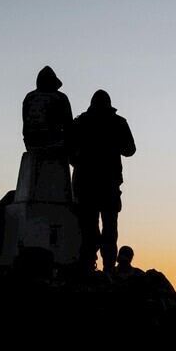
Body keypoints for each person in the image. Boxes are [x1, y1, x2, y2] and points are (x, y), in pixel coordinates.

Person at [69, 90, 136, 270]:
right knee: (109, 231)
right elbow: (130, 149)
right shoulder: (118, 123)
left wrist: (82, 160)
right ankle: (107, 270)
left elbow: (69, 153)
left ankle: (88, 267)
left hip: (86, 185)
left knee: (89, 230)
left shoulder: (81, 122)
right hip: (108, 185)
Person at [22, 66, 72, 151]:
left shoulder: (29, 97)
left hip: (31, 144)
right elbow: (69, 126)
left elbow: (25, 128)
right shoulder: (60, 97)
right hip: (54, 143)